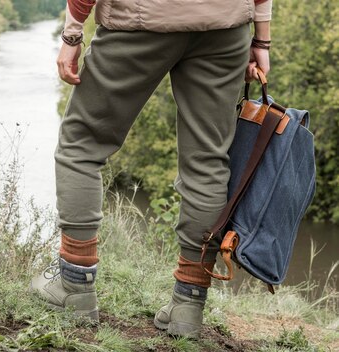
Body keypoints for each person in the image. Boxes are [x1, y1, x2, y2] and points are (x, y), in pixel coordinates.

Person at [30, 0, 272, 339]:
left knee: (81, 144)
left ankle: (74, 282)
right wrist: (261, 39)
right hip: (224, 25)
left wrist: (72, 35)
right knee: (208, 160)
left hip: (139, 20)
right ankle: (189, 303)